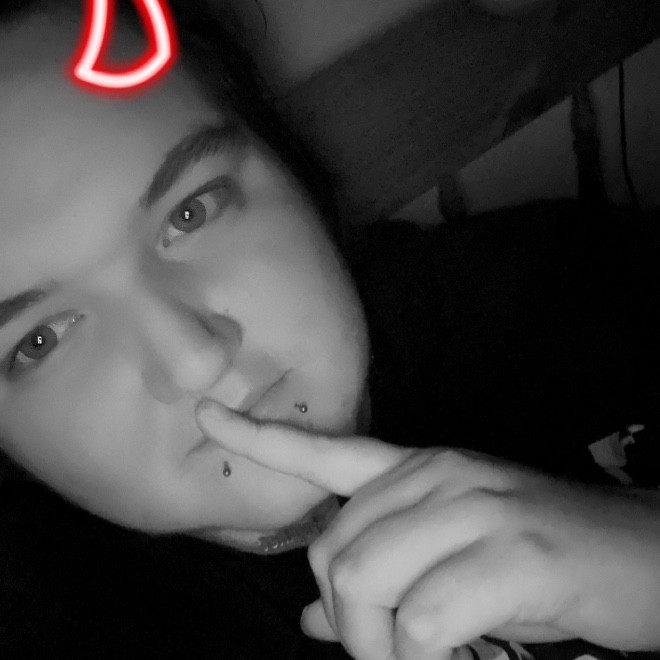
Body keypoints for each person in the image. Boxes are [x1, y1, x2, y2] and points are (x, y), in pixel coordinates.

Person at [0, 1, 659, 658]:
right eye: (40, 341)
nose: (195, 359)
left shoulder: (558, 289)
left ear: (285, 163)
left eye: (191, 212)